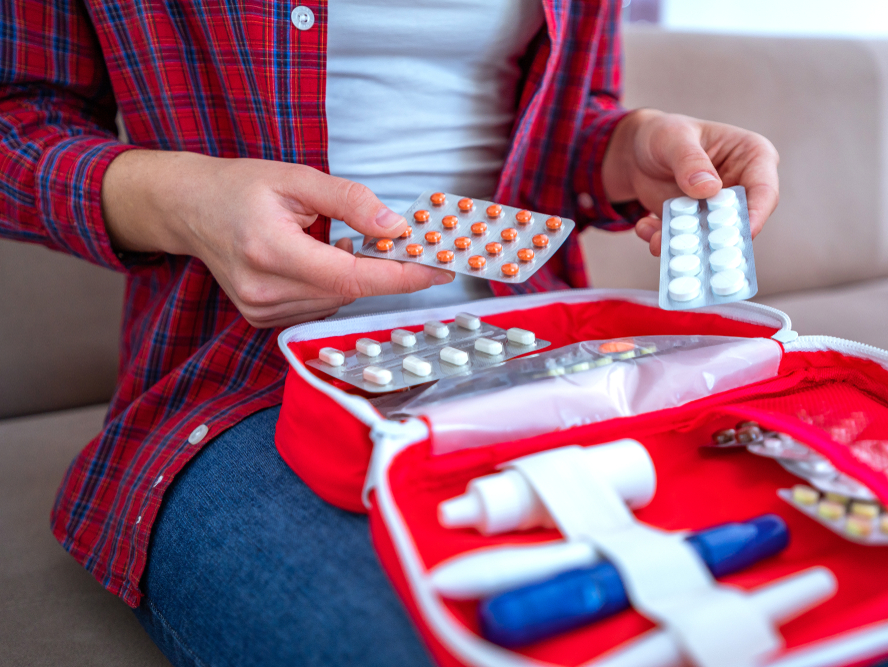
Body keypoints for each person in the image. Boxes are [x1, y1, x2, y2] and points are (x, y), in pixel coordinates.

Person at [2, 1, 781, 665]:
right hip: (247, 383)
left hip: (547, 351)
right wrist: (181, 199)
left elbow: (563, 118)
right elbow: (15, 119)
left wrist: (624, 149)